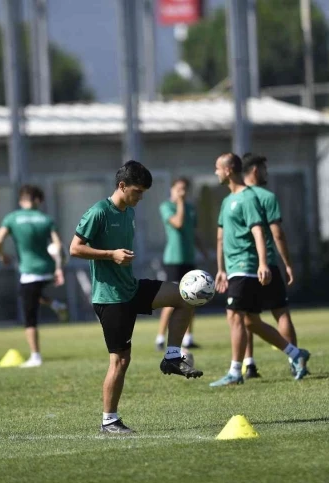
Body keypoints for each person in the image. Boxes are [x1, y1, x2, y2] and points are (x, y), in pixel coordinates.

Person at [70, 160, 203, 434]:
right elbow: (75, 248)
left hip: (130, 288)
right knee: (120, 360)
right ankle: (109, 421)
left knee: (185, 296)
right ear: (122, 186)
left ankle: (172, 356)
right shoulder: (99, 212)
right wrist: (111, 254)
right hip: (110, 298)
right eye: (138, 191)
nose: (141, 197)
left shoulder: (128, 212)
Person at [209, 153, 310, 387]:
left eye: (218, 168)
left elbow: (258, 232)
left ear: (229, 170)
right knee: (250, 321)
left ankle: (236, 371)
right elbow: (220, 237)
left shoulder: (248, 198)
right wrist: (221, 269)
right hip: (233, 268)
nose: (215, 172)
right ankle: (296, 354)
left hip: (246, 265)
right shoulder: (227, 201)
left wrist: (263, 263)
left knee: (235, 316)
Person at [0, 185, 67, 368]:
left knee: (29, 316)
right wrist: (59, 269)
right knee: (31, 295)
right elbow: (58, 246)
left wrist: (2, 255)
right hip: (48, 269)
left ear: (21, 200)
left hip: (29, 273)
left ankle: (35, 356)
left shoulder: (12, 218)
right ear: (38, 200)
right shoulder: (46, 219)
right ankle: (55, 304)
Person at [240, 153, 299, 378]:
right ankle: (295, 361)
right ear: (255, 170)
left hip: (245, 267)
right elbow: (277, 234)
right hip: (268, 265)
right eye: (264, 169)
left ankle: (249, 364)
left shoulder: (236, 198)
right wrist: (288, 264)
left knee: (246, 316)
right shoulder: (266, 197)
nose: (267, 173)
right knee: (281, 313)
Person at [155, 177, 208, 351]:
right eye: (178, 189)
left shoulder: (191, 208)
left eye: (184, 189)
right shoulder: (167, 207)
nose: (182, 192)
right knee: (172, 301)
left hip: (188, 259)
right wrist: (179, 202)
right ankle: (160, 338)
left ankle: (188, 338)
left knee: (192, 298)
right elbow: (177, 223)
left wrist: (203, 251)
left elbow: (194, 232)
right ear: (172, 189)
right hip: (173, 260)